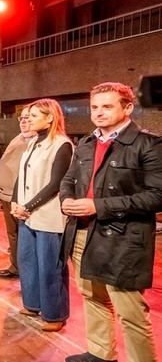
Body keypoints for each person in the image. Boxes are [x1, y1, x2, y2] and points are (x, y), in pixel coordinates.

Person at [60, 82, 162, 362]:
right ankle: (100, 353)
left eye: (107, 106)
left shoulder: (149, 144)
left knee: (130, 312)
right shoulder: (86, 143)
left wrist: (98, 206)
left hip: (124, 238)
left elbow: (157, 196)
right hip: (82, 232)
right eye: (94, 107)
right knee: (92, 296)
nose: (99, 112)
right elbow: (69, 180)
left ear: (128, 107)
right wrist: (66, 200)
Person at [11, 98, 72, 332]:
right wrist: (16, 203)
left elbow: (56, 183)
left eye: (35, 115)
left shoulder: (61, 144)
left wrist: (29, 206)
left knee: (49, 266)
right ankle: (33, 303)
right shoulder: (33, 142)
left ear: (50, 118)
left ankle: (55, 313)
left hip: (47, 216)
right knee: (28, 262)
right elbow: (21, 176)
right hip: (26, 214)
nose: (28, 119)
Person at [0, 106, 36, 279]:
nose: (24, 121)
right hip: (7, 195)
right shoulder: (18, 139)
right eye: (22, 118)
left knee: (26, 236)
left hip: (23, 198)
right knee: (13, 235)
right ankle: (16, 266)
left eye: (29, 117)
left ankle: (27, 270)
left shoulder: (38, 142)